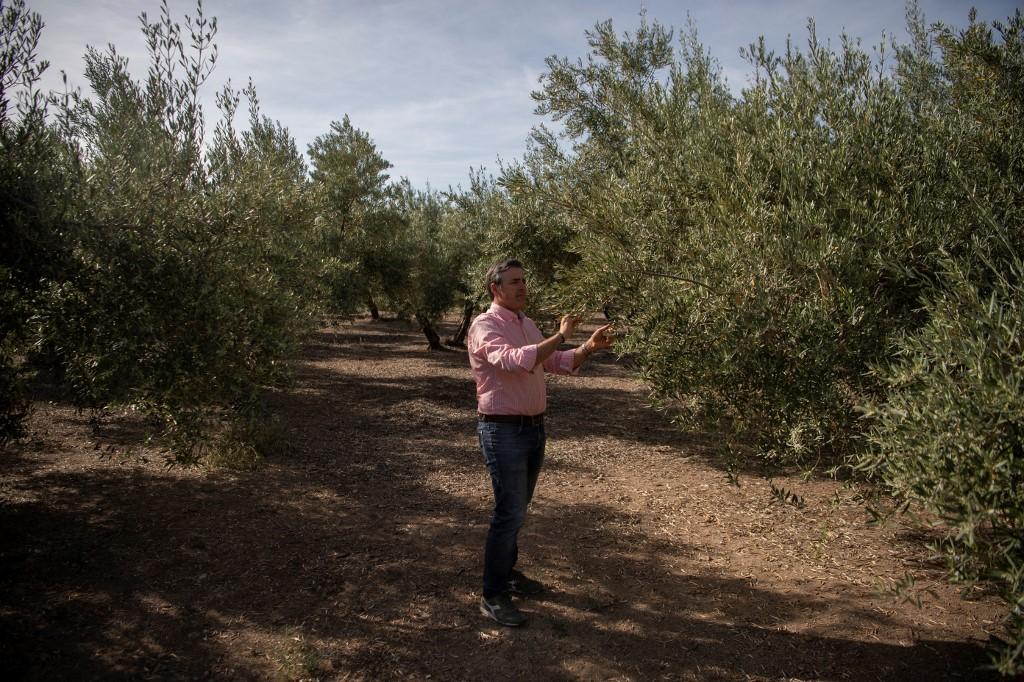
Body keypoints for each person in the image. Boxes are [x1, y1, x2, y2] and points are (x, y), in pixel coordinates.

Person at [467, 258, 613, 627]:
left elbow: (555, 362)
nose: (522, 287)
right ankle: (492, 594)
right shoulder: (484, 326)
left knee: (519, 508)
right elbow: (516, 361)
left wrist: (586, 348)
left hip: (532, 430)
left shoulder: (526, 323)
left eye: (524, 281)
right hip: (502, 431)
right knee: (509, 512)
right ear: (495, 289)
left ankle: (508, 574)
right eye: (514, 281)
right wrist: (561, 335)